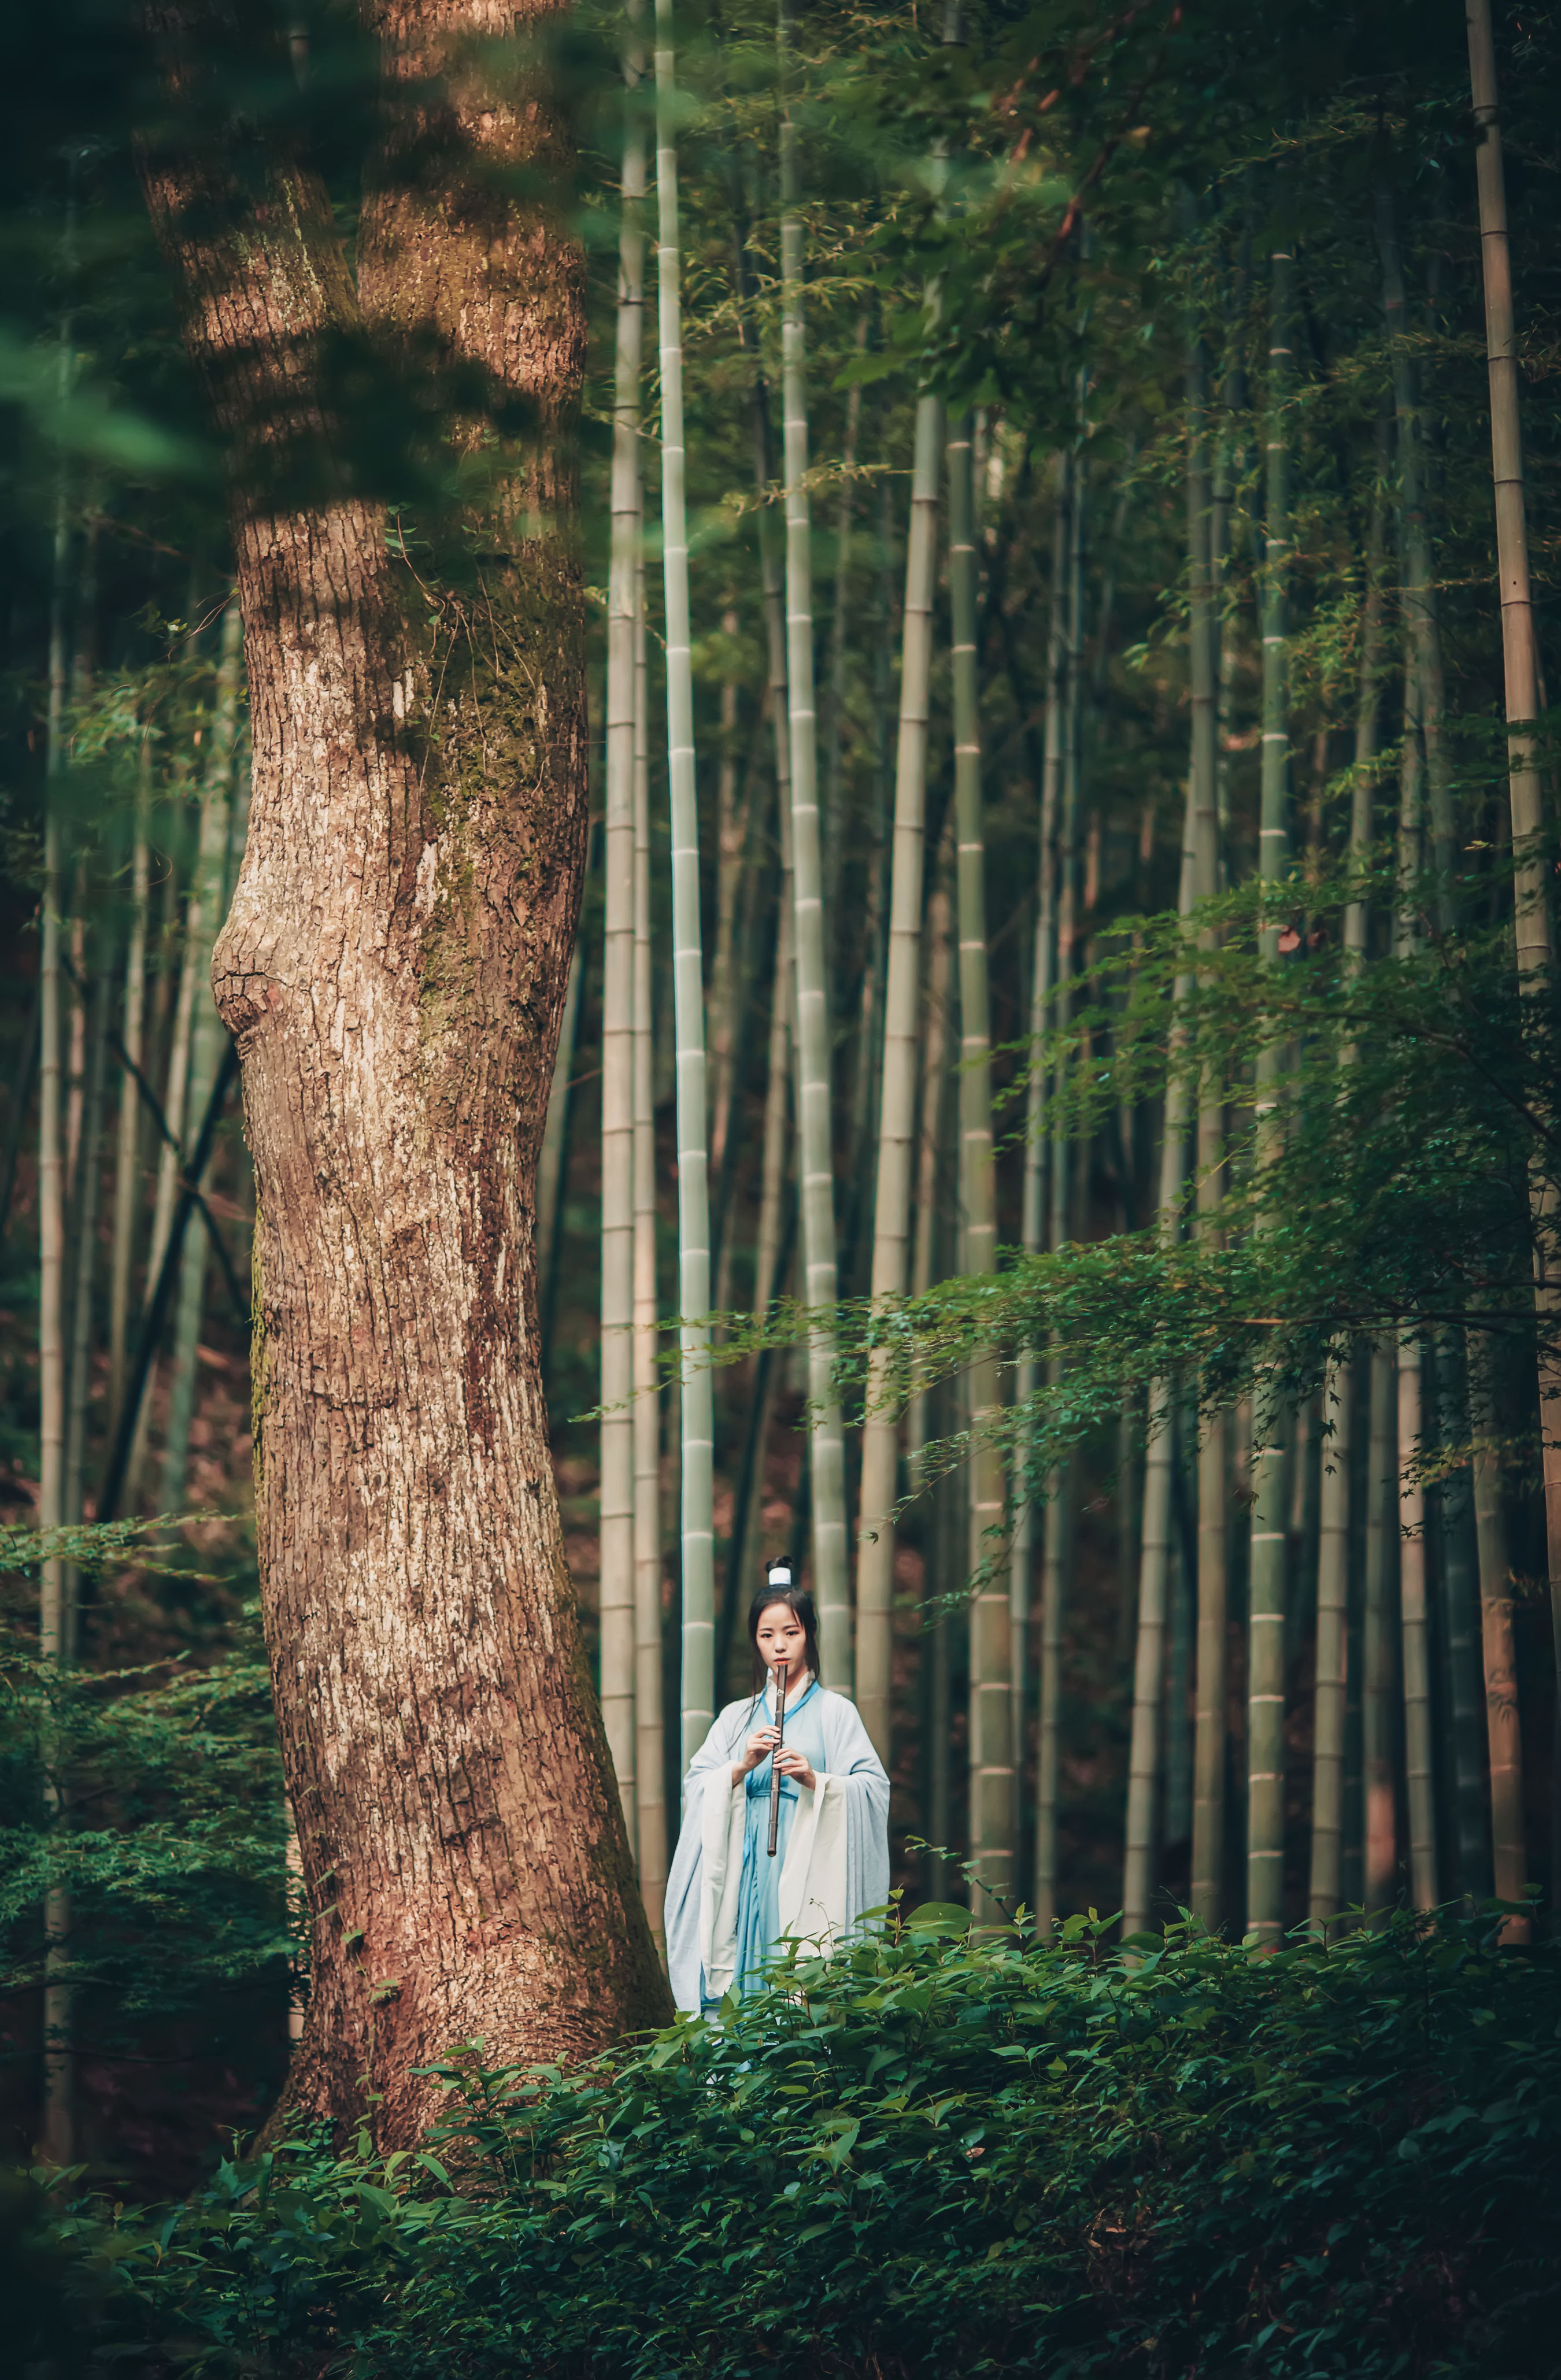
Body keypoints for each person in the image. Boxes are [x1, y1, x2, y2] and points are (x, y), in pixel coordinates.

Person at [664, 1567, 890, 2018]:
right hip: (743, 1864)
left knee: (797, 1969)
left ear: (809, 1635)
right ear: (757, 1642)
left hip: (805, 1860)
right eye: (768, 1635)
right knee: (739, 1960)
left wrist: (817, 1781)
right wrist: (740, 1767)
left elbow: (872, 1787)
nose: (780, 1645)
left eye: (791, 1631)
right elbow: (697, 1783)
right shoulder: (735, 1717)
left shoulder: (835, 1713)